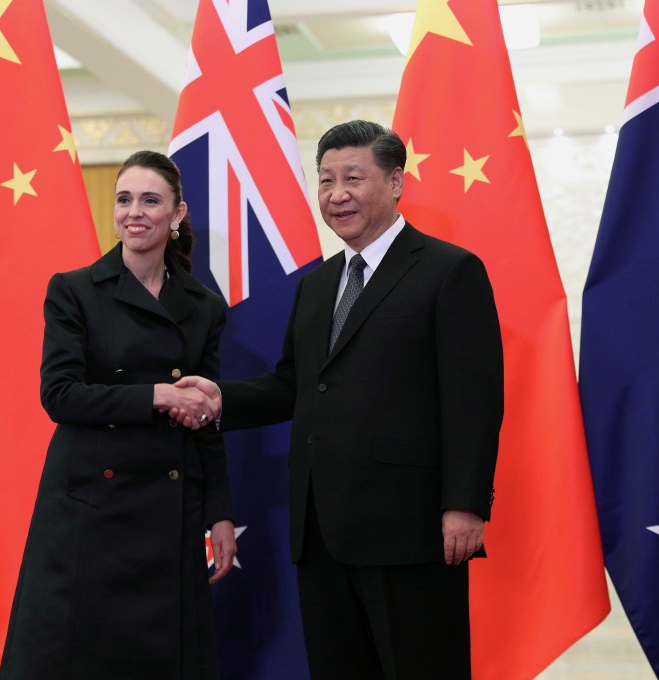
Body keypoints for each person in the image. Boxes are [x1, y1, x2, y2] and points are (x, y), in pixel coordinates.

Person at [174, 120, 503, 679]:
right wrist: (219, 399)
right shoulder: (318, 284)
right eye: (326, 181)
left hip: (411, 526)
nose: (337, 194)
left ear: (396, 182)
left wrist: (464, 503)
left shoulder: (450, 272)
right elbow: (294, 384)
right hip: (321, 525)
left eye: (354, 177)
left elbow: (474, 398)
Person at [0, 150, 237, 680]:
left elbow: (207, 420)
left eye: (150, 200)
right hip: (89, 508)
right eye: (124, 199)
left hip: (169, 507)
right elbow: (59, 394)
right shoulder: (75, 290)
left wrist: (219, 511)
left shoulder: (203, 306)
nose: (135, 211)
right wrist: (159, 395)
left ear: (177, 215)